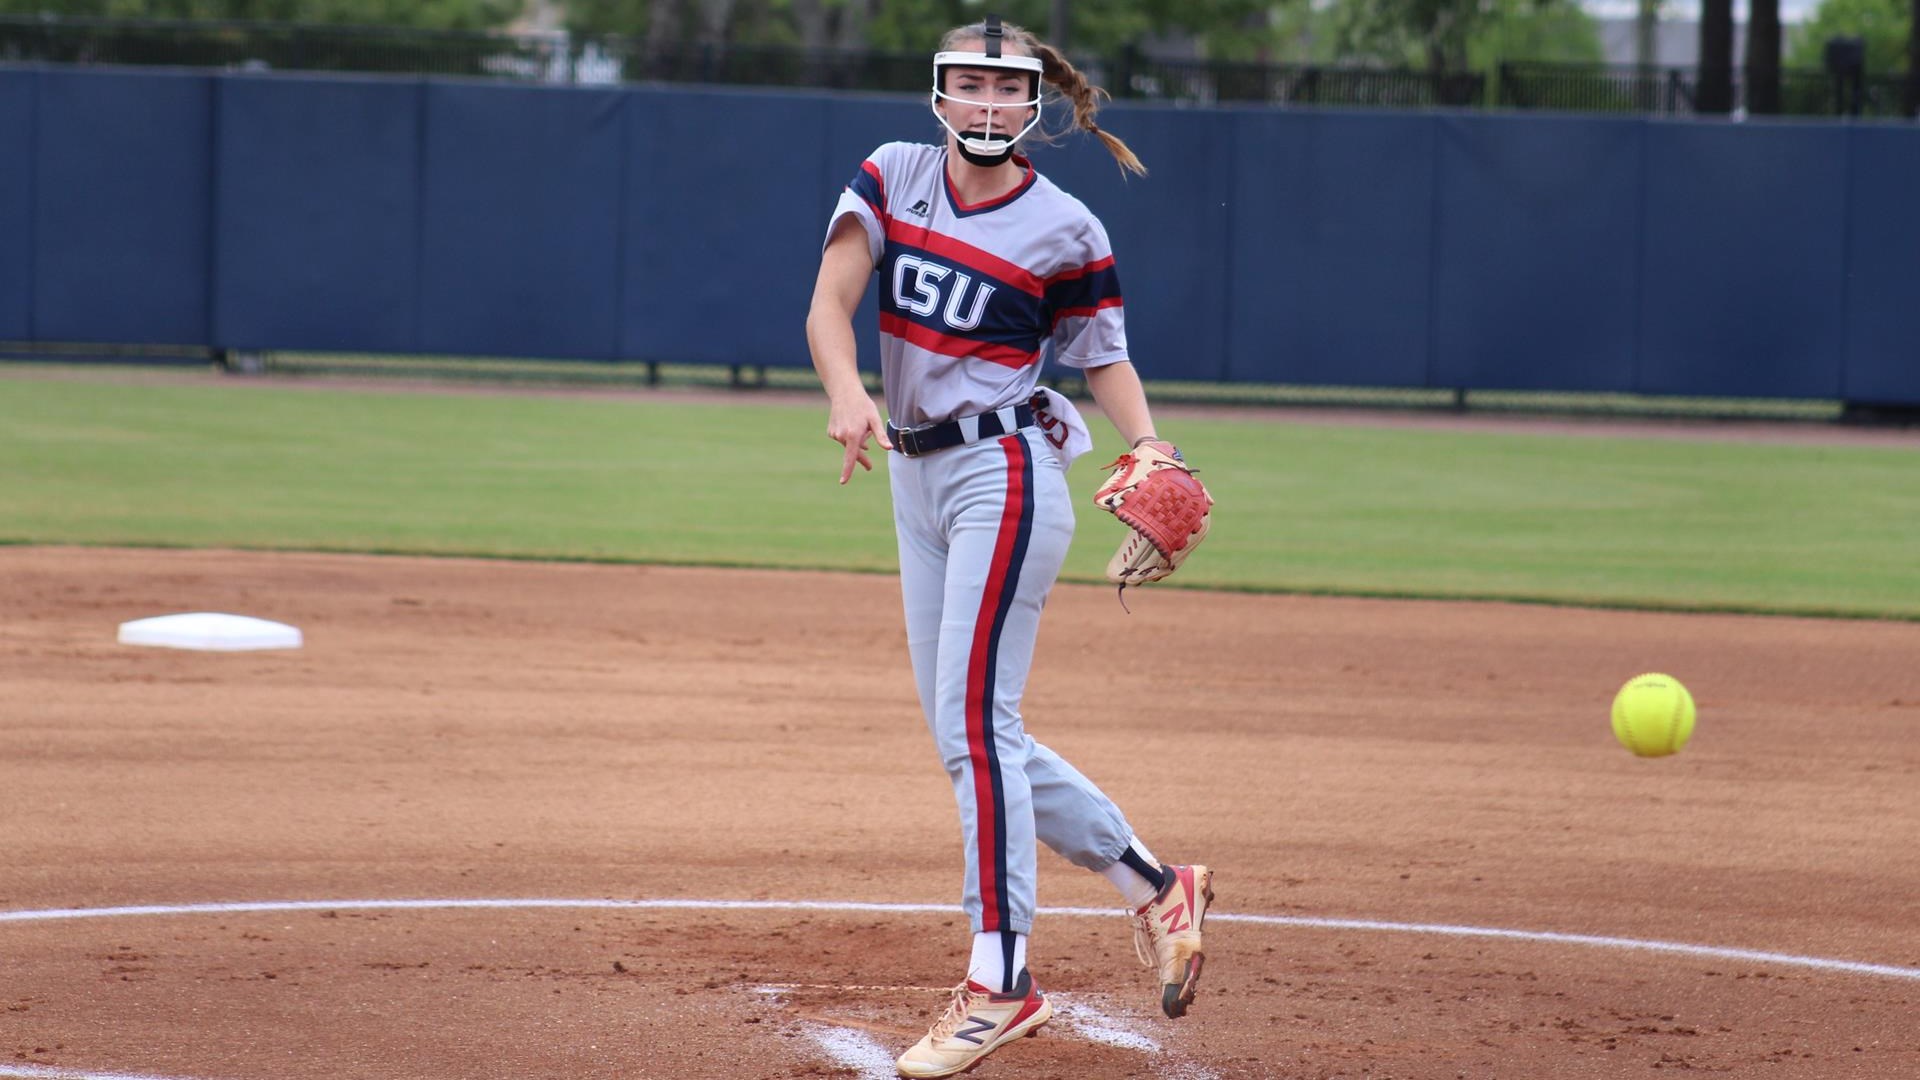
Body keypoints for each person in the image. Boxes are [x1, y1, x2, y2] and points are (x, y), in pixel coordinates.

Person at [804, 16, 1214, 1078]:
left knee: (976, 730)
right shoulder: (892, 174)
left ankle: (1002, 980)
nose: (986, 105)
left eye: (1006, 88)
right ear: (939, 94)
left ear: (1034, 102)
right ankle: (1158, 887)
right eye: (969, 85)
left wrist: (1152, 446)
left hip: (1006, 473)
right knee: (972, 730)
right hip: (915, 477)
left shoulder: (1066, 227)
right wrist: (846, 390)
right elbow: (830, 302)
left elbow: (1102, 357)